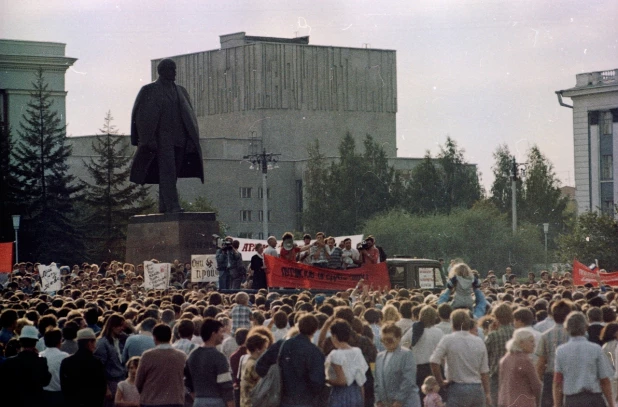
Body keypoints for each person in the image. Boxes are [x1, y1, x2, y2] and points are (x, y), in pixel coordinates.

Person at [129, 58, 204, 213]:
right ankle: (173, 205)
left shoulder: (181, 91)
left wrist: (190, 139)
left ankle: (165, 206)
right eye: (172, 69)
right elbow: (142, 116)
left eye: (175, 69)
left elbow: (189, 118)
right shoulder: (149, 90)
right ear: (162, 71)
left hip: (180, 140)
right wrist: (147, 139)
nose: (175, 72)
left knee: (172, 174)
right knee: (167, 173)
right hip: (162, 140)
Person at [429, 309, 491, 407]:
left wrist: (440, 382)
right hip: (477, 388)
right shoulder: (479, 341)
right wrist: (487, 393)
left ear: (452, 323)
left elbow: (434, 361)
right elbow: (484, 371)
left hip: (457, 387)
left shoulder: (448, 339)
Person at [554, 311, 614, 407]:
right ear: (586, 327)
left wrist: (557, 404)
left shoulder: (561, 351)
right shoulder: (595, 349)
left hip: (571, 399)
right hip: (594, 398)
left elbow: (558, 382)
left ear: (566, 328)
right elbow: (604, 380)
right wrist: (611, 403)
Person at [184, 318, 234, 407]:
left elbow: (187, 380)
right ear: (213, 334)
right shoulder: (219, 357)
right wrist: (231, 404)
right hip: (216, 401)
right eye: (221, 332)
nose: (223, 335)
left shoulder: (193, 355)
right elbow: (226, 385)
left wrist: (197, 398)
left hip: (198, 400)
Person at [279, 313, 326, 407]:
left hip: (286, 396)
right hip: (306, 399)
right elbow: (317, 381)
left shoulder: (286, 344)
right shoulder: (314, 351)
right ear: (315, 329)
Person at [135, 323, 187, 407]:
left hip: (151, 400)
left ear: (154, 337)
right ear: (170, 336)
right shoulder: (182, 356)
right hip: (175, 400)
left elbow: (139, 381)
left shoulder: (148, 355)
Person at [0, 325, 51, 407]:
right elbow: (46, 381)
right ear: (35, 343)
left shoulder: (9, 362)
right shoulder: (41, 360)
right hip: (35, 402)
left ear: (20, 342)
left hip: (15, 401)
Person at [402, 305, 444, 403]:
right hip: (435, 368)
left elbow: (402, 345)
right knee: (436, 399)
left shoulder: (414, 330)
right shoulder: (439, 332)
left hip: (418, 368)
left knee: (421, 398)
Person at [374, 323, 421, 407]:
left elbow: (408, 380)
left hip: (406, 403)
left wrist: (399, 401)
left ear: (399, 338)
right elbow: (377, 381)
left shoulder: (406, 354)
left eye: (389, 340)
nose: (385, 342)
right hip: (386, 404)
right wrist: (378, 400)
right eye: (383, 340)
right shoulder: (379, 357)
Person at [536, 300, 573, 407]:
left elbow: (541, 363)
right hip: (570, 376)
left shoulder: (545, 335)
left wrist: (538, 381)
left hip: (550, 377)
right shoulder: (575, 334)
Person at [325, 319, 369, 407]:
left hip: (341, 394)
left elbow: (342, 381)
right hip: (356, 392)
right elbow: (361, 380)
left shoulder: (335, 354)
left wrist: (326, 380)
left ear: (334, 336)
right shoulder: (357, 351)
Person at [60, 328, 108, 407]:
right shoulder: (96, 362)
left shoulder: (66, 362)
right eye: (94, 342)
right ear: (90, 343)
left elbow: (64, 387)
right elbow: (101, 387)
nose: (95, 346)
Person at [497, 328, 542, 407]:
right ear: (521, 343)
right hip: (523, 402)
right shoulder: (525, 360)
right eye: (531, 341)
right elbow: (536, 385)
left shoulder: (505, 359)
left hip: (506, 401)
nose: (534, 345)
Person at [485, 303, 515, 405]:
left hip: (495, 373)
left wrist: (489, 332)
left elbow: (485, 352)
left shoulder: (493, 335)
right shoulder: (516, 333)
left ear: (496, 317)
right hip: (513, 373)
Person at [94, 313, 127, 406]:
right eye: (120, 326)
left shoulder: (119, 340)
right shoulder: (102, 343)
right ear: (112, 326)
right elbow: (100, 368)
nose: (122, 328)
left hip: (121, 379)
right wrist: (106, 388)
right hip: (111, 382)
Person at [40, 327, 70, 407]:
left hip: (43, 395)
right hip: (60, 395)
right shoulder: (65, 356)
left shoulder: (39, 355)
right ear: (60, 341)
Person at [240, 332, 270, 407]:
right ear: (258, 349)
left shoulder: (247, 361)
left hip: (245, 402)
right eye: (265, 348)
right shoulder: (254, 365)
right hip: (253, 403)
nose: (266, 350)